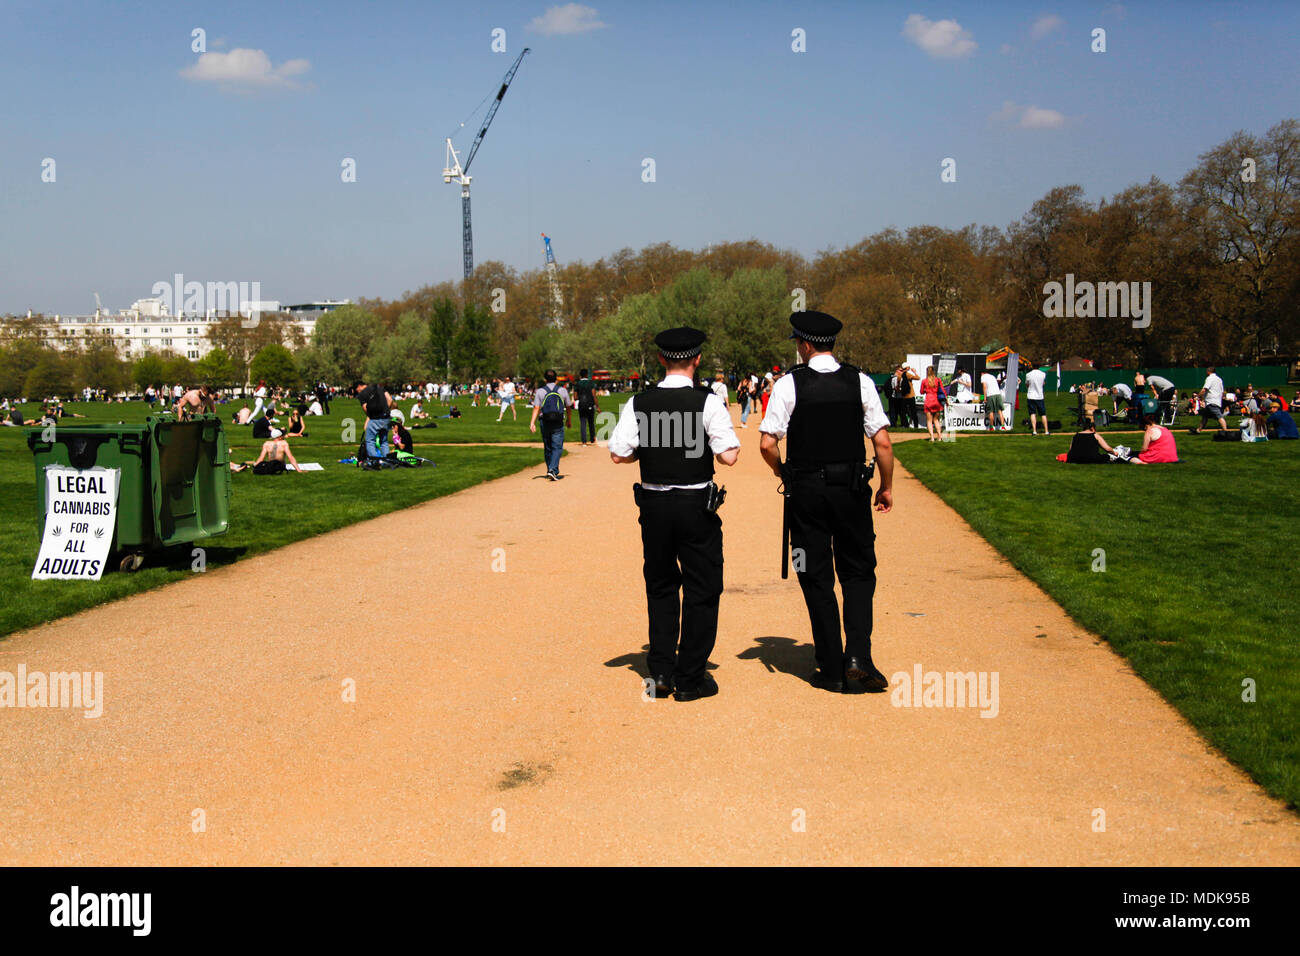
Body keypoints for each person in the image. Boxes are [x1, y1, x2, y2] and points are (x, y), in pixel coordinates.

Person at [759, 310, 895, 695]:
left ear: (803, 345)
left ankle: (831, 664)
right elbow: (882, 442)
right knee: (857, 572)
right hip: (851, 490)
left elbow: (768, 443)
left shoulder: (789, 385)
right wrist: (885, 486)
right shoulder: (860, 382)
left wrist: (782, 472)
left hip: (806, 492)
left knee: (814, 574)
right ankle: (859, 656)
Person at [608, 326, 740, 701]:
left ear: (662, 359)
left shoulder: (640, 402)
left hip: (654, 505)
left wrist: (648, 450)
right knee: (703, 586)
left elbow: (619, 453)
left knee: (662, 585)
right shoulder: (708, 401)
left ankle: (662, 670)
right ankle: (691, 676)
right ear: (696, 359)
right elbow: (728, 455)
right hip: (695, 503)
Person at [529, 370, 572, 480]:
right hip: (558, 420)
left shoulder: (540, 391)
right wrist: (569, 420)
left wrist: (532, 422)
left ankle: (550, 468)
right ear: (556, 378)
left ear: (545, 379)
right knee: (557, 446)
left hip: (545, 420)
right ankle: (553, 470)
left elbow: (536, 408)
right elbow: (568, 406)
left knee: (548, 446)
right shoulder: (562, 390)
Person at [354, 381, 393, 461]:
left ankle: (374, 461)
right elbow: (390, 399)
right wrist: (385, 410)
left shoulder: (362, 394)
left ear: (359, 386)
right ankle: (388, 461)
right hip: (386, 417)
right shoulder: (379, 387)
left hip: (375, 419)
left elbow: (365, 408)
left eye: (356, 390)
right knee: (384, 441)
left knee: (370, 441)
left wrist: (371, 416)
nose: (357, 391)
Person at [920, 366, 946, 441]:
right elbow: (943, 390)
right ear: (934, 371)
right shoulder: (938, 380)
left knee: (929, 420)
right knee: (936, 420)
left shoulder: (924, 381)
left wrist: (926, 390)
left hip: (928, 400)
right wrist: (946, 400)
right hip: (936, 401)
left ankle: (932, 437)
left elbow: (921, 392)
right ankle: (940, 437)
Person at [574, 369, 600, 444]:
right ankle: (592, 439)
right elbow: (594, 395)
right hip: (590, 404)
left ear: (580, 375)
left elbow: (575, 397)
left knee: (583, 422)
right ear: (586, 375)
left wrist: (581, 397)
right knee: (591, 422)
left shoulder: (577, 384)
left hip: (581, 404)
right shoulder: (591, 383)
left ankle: (584, 441)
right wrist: (597, 406)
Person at [1025, 364, 1049, 435]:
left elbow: (1027, 384)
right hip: (1039, 396)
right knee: (1043, 414)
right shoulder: (1043, 374)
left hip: (1031, 396)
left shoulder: (1028, 374)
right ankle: (1046, 431)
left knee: (1032, 413)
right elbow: (1043, 383)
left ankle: (1034, 431)